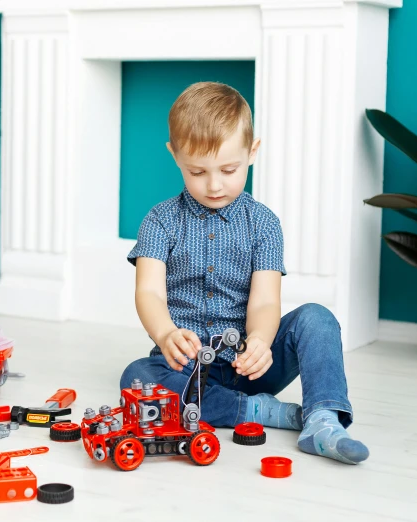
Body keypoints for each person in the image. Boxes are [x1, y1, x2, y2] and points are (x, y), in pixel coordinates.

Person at [121, 81, 369, 465]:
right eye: (197, 171)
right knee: (136, 375)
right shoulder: (159, 221)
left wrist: (260, 340)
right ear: (175, 156)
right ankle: (259, 412)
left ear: (252, 152)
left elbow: (266, 299)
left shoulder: (264, 224)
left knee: (318, 319)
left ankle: (322, 418)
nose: (215, 184)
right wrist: (165, 333)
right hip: (187, 370)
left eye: (229, 169)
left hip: (250, 363)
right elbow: (149, 293)